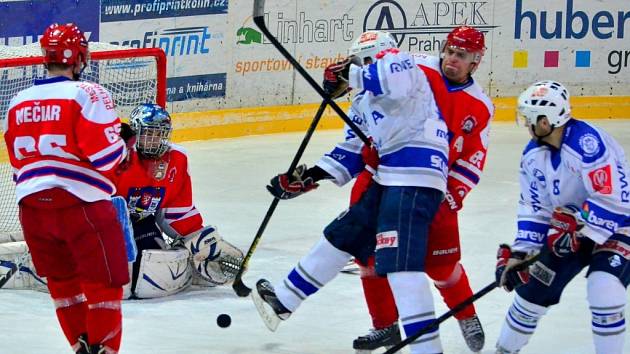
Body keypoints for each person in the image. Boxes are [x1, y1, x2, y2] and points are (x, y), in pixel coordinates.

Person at [256, 35, 451, 353]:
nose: (349, 69)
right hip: (389, 176)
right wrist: (307, 178)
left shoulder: (400, 62)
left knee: (401, 265)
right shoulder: (363, 100)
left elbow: (394, 82)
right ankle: (285, 299)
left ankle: (428, 350)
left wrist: (352, 75)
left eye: (355, 63)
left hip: (415, 173)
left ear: (370, 59)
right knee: (344, 233)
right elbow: (354, 149)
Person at [348, 27, 493, 352]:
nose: (452, 59)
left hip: (433, 190)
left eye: (462, 55)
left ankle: (466, 314)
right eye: (450, 51)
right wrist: (345, 77)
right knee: (370, 259)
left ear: (475, 62)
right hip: (382, 179)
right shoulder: (415, 68)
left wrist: (452, 196)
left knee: (440, 265)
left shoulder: (480, 106)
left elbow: (472, 158)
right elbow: (373, 75)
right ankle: (385, 326)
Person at [3, 23, 129, 354]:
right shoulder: (88, 93)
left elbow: (19, 163)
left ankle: (80, 347)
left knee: (63, 285)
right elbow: (107, 158)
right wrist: (124, 143)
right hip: (82, 206)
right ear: (79, 57)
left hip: (32, 209)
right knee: (105, 285)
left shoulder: (17, 100)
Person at [494, 80, 630, 354]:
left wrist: (578, 222)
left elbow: (613, 198)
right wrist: (522, 253)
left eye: (529, 118)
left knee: (603, 286)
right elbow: (535, 206)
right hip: (569, 233)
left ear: (545, 121)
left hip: (620, 225)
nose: (525, 124)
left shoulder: (587, 144)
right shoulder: (533, 155)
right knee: (532, 290)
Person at [114, 103, 244, 299]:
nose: (153, 140)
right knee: (117, 271)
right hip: (107, 225)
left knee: (153, 266)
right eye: (147, 133)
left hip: (142, 224)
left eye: (159, 134)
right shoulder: (117, 156)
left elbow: (176, 208)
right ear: (135, 132)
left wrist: (199, 240)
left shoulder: (176, 159)